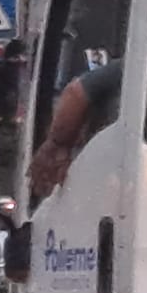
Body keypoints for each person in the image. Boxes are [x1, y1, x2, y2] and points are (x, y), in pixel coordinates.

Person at [29, 59, 123, 200]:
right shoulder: (130, 65)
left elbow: (76, 93)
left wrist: (56, 145)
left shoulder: (138, 61)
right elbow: (77, 94)